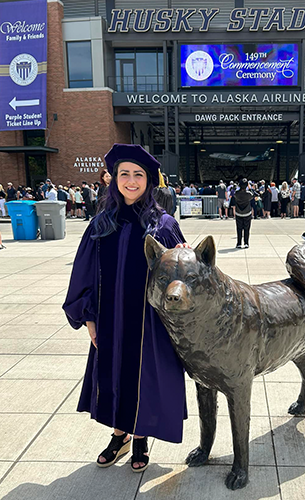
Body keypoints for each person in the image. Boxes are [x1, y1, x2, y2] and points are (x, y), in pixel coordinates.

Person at [63, 143, 187, 473]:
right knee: (114, 375)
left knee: (145, 377)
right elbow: (85, 272)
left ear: (149, 180)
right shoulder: (101, 224)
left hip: (150, 321)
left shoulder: (163, 225)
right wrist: (88, 318)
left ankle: (142, 437)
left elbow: (182, 273)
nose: (131, 181)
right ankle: (120, 435)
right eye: (124, 174)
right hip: (111, 318)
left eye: (138, 175)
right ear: (114, 178)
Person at [235, 178, 254, 248]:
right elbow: (253, 195)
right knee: (247, 229)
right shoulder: (248, 194)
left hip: (238, 212)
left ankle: (239, 243)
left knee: (239, 229)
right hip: (247, 213)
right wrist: (250, 188)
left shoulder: (236, 193)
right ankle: (246, 243)